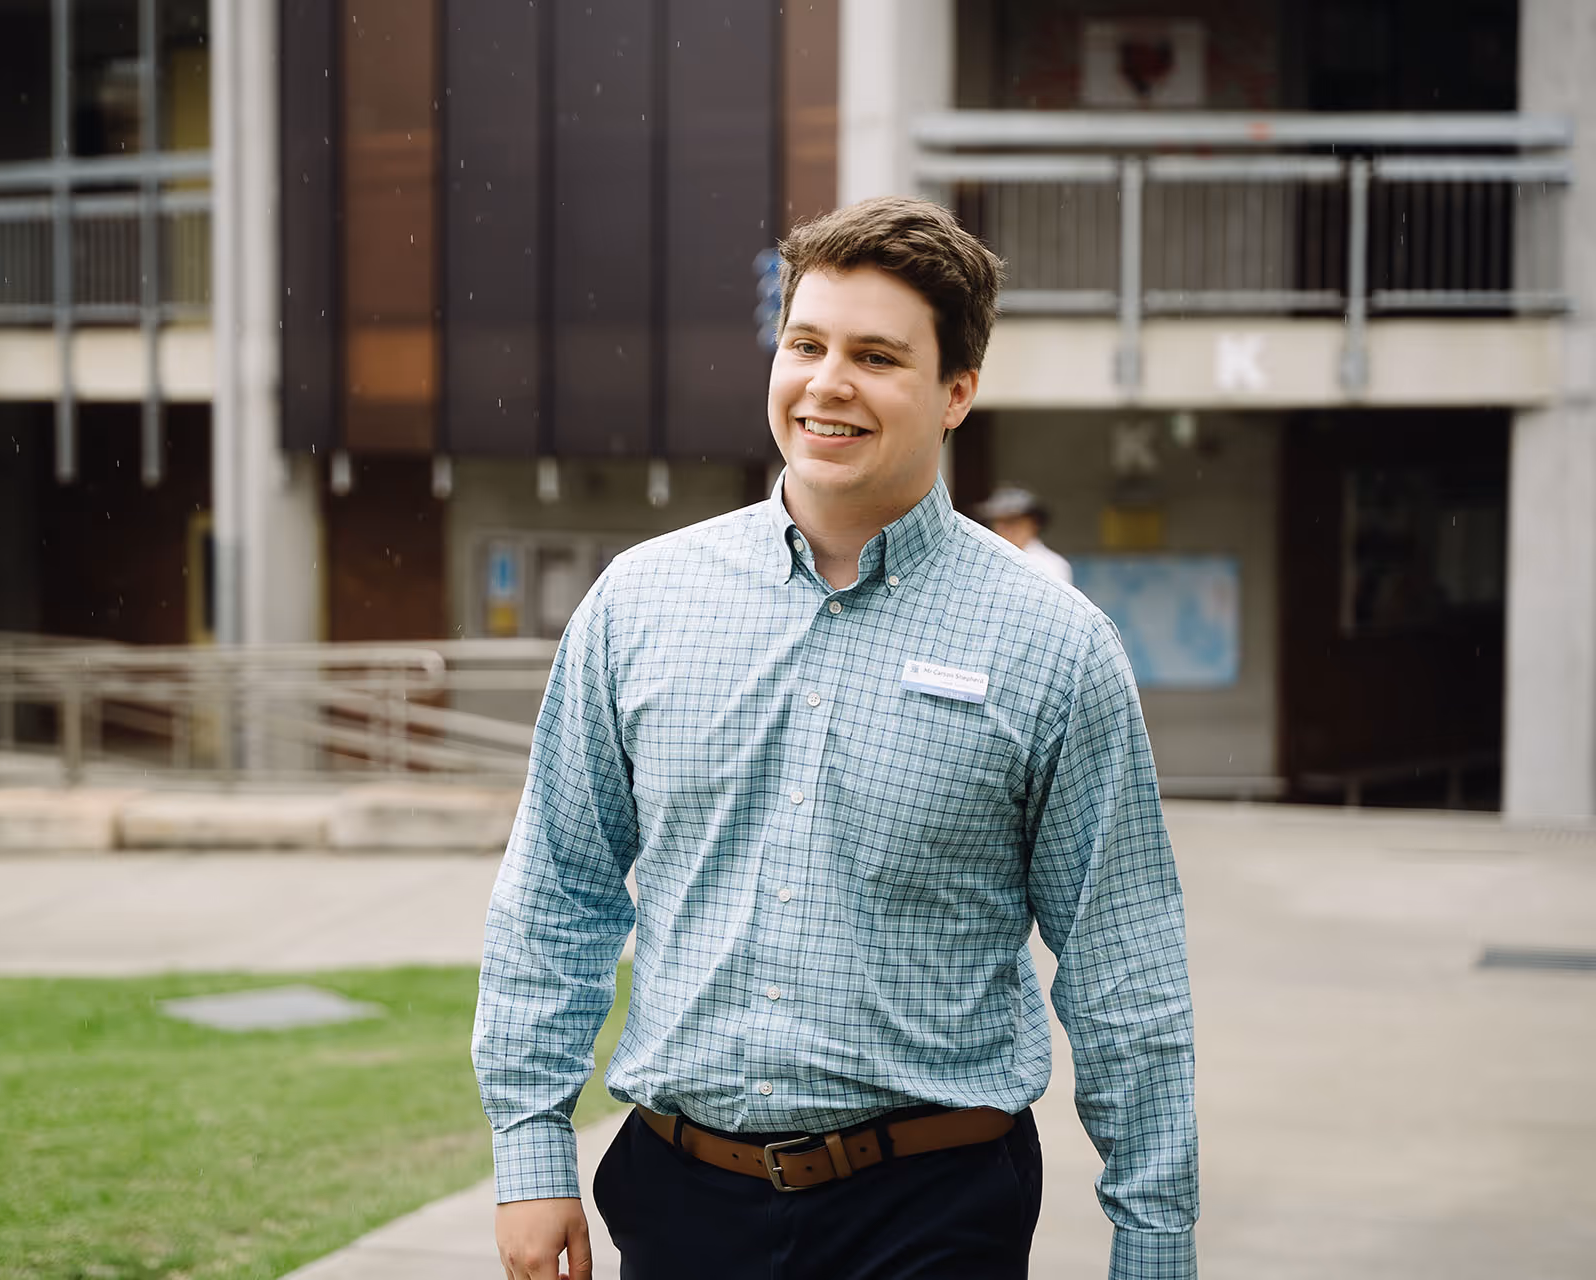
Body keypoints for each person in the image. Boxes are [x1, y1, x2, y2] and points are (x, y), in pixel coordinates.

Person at [474, 196, 1197, 1280]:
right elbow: (557, 889)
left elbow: (1121, 967)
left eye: (876, 355)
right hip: (681, 1202)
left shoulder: (1056, 645)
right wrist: (531, 1148)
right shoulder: (641, 603)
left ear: (958, 391)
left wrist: (1155, 1242)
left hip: (934, 1204)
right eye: (806, 343)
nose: (827, 382)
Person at [977, 484, 1074, 585]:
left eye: (1013, 521)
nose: (1006, 528)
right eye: (999, 522)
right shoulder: (983, 561)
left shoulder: (1052, 565)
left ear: (1034, 523)